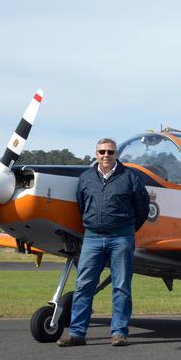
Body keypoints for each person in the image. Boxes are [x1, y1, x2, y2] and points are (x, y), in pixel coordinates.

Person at [58, 138, 150, 347]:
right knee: (83, 285)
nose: (106, 155)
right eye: (102, 152)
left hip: (121, 238)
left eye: (110, 152)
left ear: (116, 154)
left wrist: (126, 229)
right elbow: (83, 205)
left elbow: (142, 208)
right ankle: (77, 333)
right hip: (92, 237)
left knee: (121, 286)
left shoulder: (130, 177)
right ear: (96, 154)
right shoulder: (86, 178)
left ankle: (119, 333)